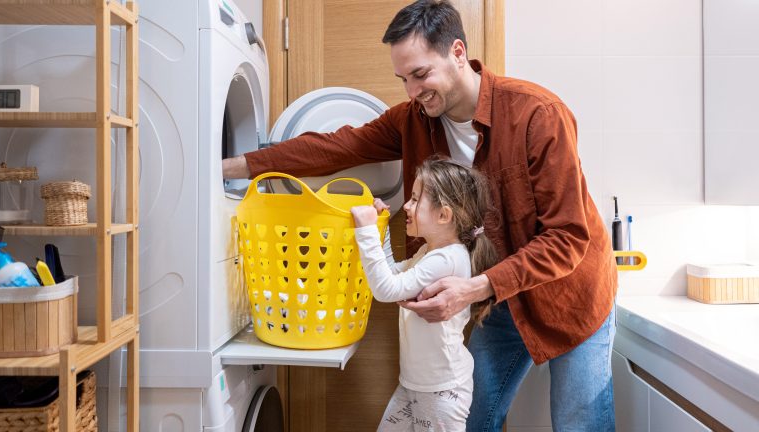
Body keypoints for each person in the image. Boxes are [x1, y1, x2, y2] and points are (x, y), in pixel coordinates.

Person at [222, 1, 618, 430]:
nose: (412, 91)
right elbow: (336, 147)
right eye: (403, 79)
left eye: (421, 74)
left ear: (458, 52)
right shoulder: (413, 120)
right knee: (471, 419)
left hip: (569, 293)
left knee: (579, 424)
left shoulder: (536, 114)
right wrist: (234, 167)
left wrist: (474, 288)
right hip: (497, 297)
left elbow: (567, 237)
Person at [350, 157, 496, 431]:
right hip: (417, 384)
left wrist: (366, 230)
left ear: (444, 215)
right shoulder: (429, 253)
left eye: (415, 200)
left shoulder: (447, 259)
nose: (407, 205)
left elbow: (385, 290)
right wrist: (380, 227)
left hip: (441, 391)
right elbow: (391, 275)